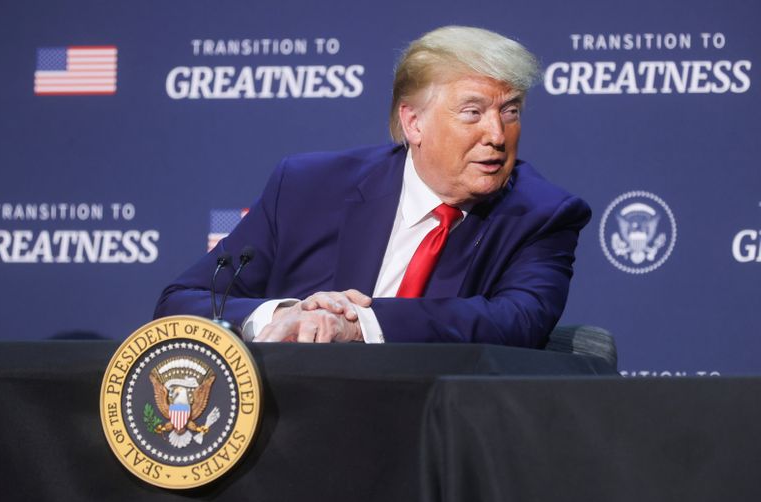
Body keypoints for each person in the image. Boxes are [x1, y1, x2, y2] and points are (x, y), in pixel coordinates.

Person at [154, 26, 591, 347]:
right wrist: (286, 314)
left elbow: (515, 322)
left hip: (433, 434)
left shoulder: (541, 214)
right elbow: (181, 303)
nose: (497, 135)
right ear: (413, 122)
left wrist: (359, 324)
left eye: (510, 112)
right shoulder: (309, 188)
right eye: (473, 113)